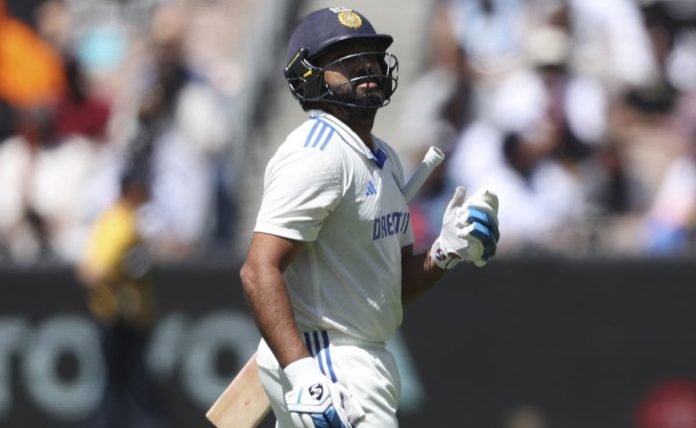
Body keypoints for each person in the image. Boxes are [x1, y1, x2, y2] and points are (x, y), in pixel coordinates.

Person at [240, 7, 500, 428]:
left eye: (370, 56)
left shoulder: (385, 157)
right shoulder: (317, 152)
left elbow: (389, 286)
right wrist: (304, 375)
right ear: (308, 75)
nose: (366, 67)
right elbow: (258, 270)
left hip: (363, 354)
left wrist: (446, 250)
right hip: (328, 357)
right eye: (345, 58)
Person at [76, 166, 167, 428]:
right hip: (122, 318)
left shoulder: (110, 218)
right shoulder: (122, 224)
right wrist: (121, 284)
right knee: (131, 386)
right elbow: (95, 272)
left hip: (117, 316)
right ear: (133, 189)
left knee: (120, 386)